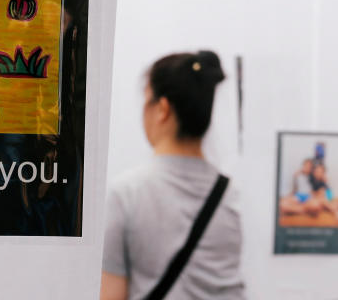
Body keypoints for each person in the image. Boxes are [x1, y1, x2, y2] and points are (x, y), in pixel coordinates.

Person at [101, 51, 245, 300]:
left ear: (162, 109)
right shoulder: (231, 194)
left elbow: (111, 295)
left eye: (147, 100)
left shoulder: (127, 194)